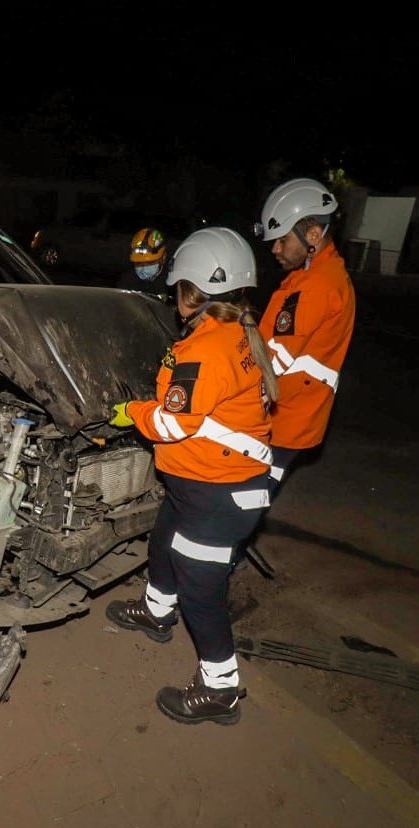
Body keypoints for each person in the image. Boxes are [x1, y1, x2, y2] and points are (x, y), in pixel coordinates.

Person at [105, 227, 278, 725]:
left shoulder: (203, 349)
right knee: (164, 542)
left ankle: (220, 688)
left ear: (189, 292)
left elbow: (171, 423)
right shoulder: (240, 333)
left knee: (201, 593)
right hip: (202, 483)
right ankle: (157, 610)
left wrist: (132, 412)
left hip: (219, 493)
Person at [253, 177, 356, 500]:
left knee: (241, 505)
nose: (275, 249)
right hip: (289, 416)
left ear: (313, 235)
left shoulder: (316, 286)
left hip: (283, 421)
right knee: (244, 504)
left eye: (282, 240)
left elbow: (272, 361)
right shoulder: (311, 276)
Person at [115, 227, 170, 296]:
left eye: (150, 262)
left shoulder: (172, 282)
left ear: (163, 257)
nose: (143, 268)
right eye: (138, 263)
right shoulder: (127, 280)